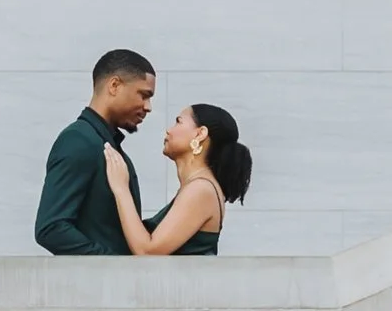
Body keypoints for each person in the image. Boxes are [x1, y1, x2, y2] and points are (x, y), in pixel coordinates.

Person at [34, 49, 156, 255]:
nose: (148, 107)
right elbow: (51, 228)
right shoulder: (79, 140)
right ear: (114, 85)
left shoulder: (104, 143)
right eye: (143, 95)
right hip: (97, 285)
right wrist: (111, 263)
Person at [103, 101, 254, 257]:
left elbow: (147, 251)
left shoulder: (201, 190)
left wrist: (121, 189)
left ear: (200, 133)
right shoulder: (199, 187)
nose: (169, 130)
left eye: (178, 122)